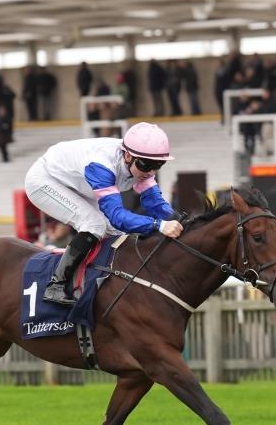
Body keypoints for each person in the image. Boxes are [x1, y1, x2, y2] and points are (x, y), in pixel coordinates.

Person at [24, 122, 180, 305]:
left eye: (158, 165)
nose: (151, 171)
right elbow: (117, 216)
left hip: (77, 183)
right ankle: (56, 285)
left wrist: (179, 220)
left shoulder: (139, 164)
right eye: (147, 165)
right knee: (94, 224)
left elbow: (156, 204)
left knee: (116, 232)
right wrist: (158, 225)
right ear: (128, 155)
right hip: (45, 180)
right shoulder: (102, 165)